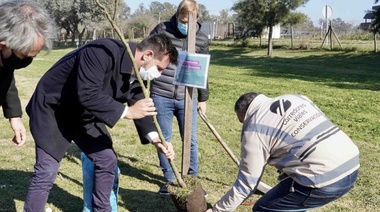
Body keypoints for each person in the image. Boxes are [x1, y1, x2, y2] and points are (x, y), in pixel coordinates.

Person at [23, 33, 178, 212]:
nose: (158, 75)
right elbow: (88, 93)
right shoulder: (101, 51)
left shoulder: (138, 75)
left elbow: (140, 107)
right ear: (147, 55)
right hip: (54, 110)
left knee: (107, 160)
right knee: (47, 171)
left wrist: (156, 140)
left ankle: (101, 209)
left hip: (85, 114)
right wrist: (127, 112)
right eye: (159, 68)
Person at [207, 92, 360, 212]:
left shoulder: (254, 130)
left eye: (243, 121)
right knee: (289, 205)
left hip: (324, 181)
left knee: (264, 208)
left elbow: (246, 185)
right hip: (352, 163)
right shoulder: (297, 98)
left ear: (245, 113)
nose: (244, 126)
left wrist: (217, 210)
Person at [149, 0, 210, 195]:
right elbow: (147, 54)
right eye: (182, 20)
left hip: (188, 97)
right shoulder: (162, 30)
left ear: (196, 19)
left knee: (190, 140)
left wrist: (203, 98)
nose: (185, 25)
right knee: (164, 139)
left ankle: (192, 179)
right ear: (177, 16)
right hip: (161, 94)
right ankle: (169, 179)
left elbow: (204, 71)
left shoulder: (201, 39)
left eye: (188, 21)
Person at [0, 0, 55, 147]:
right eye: (24, 56)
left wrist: (14, 116)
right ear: (2, 45)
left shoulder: (5, 59)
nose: (26, 62)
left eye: (32, 57)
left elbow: (6, 77)